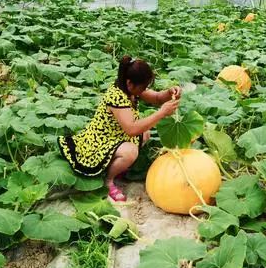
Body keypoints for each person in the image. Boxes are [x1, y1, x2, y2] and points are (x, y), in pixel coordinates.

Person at [58, 55, 181, 201]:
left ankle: (116, 167)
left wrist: (169, 93)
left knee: (145, 133)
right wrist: (161, 113)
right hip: (99, 142)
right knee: (130, 152)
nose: (144, 90)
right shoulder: (116, 96)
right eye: (143, 87)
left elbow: (156, 98)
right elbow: (131, 129)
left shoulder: (130, 89)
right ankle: (108, 180)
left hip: (116, 135)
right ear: (130, 83)